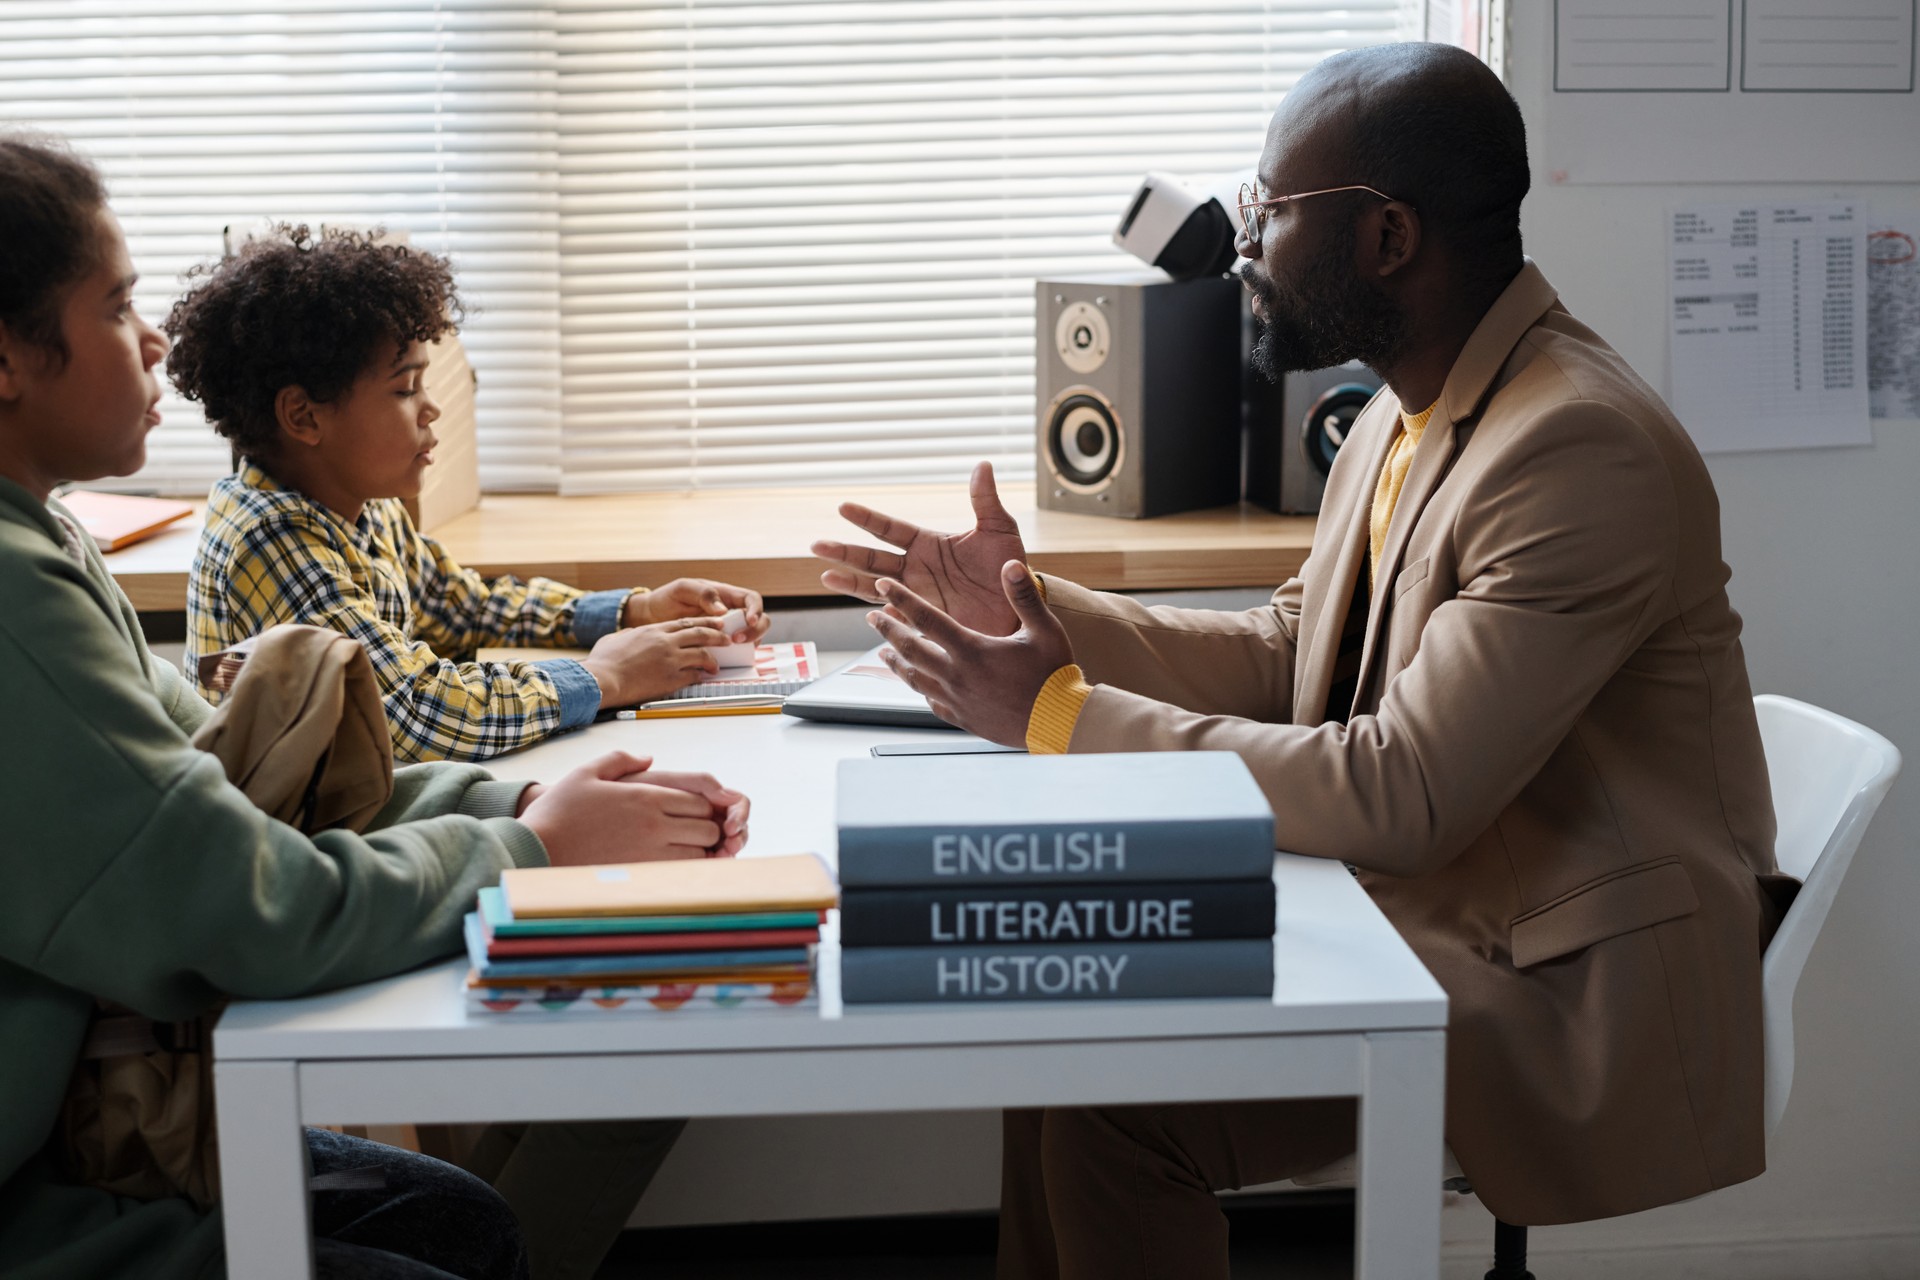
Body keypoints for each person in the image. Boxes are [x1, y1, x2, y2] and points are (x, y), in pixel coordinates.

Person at [813, 43, 1791, 1280]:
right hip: (1438, 899)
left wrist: (1057, 710)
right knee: (1057, 1038)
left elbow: (1401, 791)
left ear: (1388, 238)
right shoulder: (1401, 409)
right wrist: (1032, 610)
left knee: (1122, 1109)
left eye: (1270, 210)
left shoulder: (1576, 446)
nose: (1240, 245)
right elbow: (1295, 655)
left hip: (1564, 970)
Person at [0, 135, 747, 1280]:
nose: (148, 340)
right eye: (116, 305)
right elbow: (247, 901)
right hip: (45, 1180)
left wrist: (531, 799)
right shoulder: (21, 591)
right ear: (7, 353)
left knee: (467, 1223)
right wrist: (526, 842)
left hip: (81, 1120)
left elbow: (220, 789)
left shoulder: (43, 537)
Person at [166, 225, 772, 764]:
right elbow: (411, 714)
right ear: (304, 416)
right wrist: (603, 676)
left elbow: (460, 606)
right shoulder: (274, 540)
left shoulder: (359, 506)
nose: (432, 408)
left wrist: (630, 612)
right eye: (405, 390)